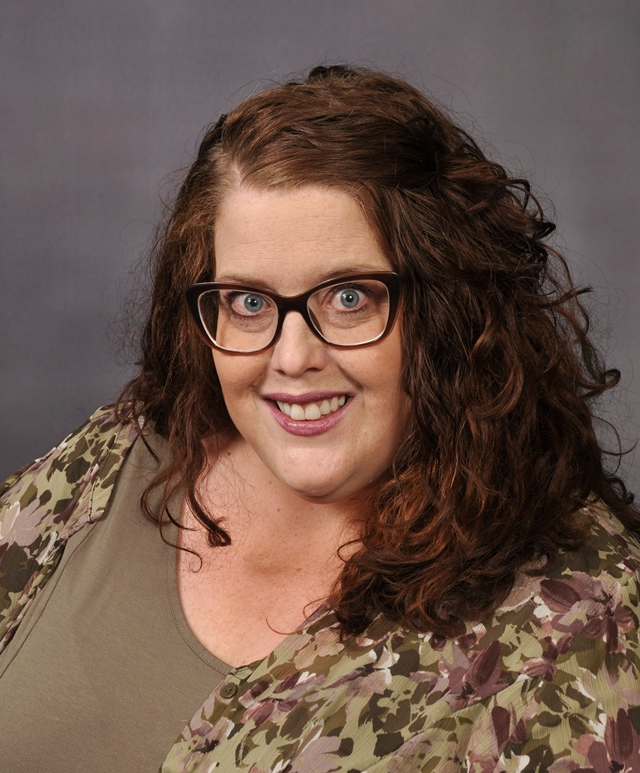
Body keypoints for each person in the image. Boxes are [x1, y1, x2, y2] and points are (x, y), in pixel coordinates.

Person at [0, 64, 639, 773]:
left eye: (347, 298)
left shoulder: (578, 626)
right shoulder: (117, 459)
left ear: (449, 311)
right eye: (248, 302)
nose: (291, 355)